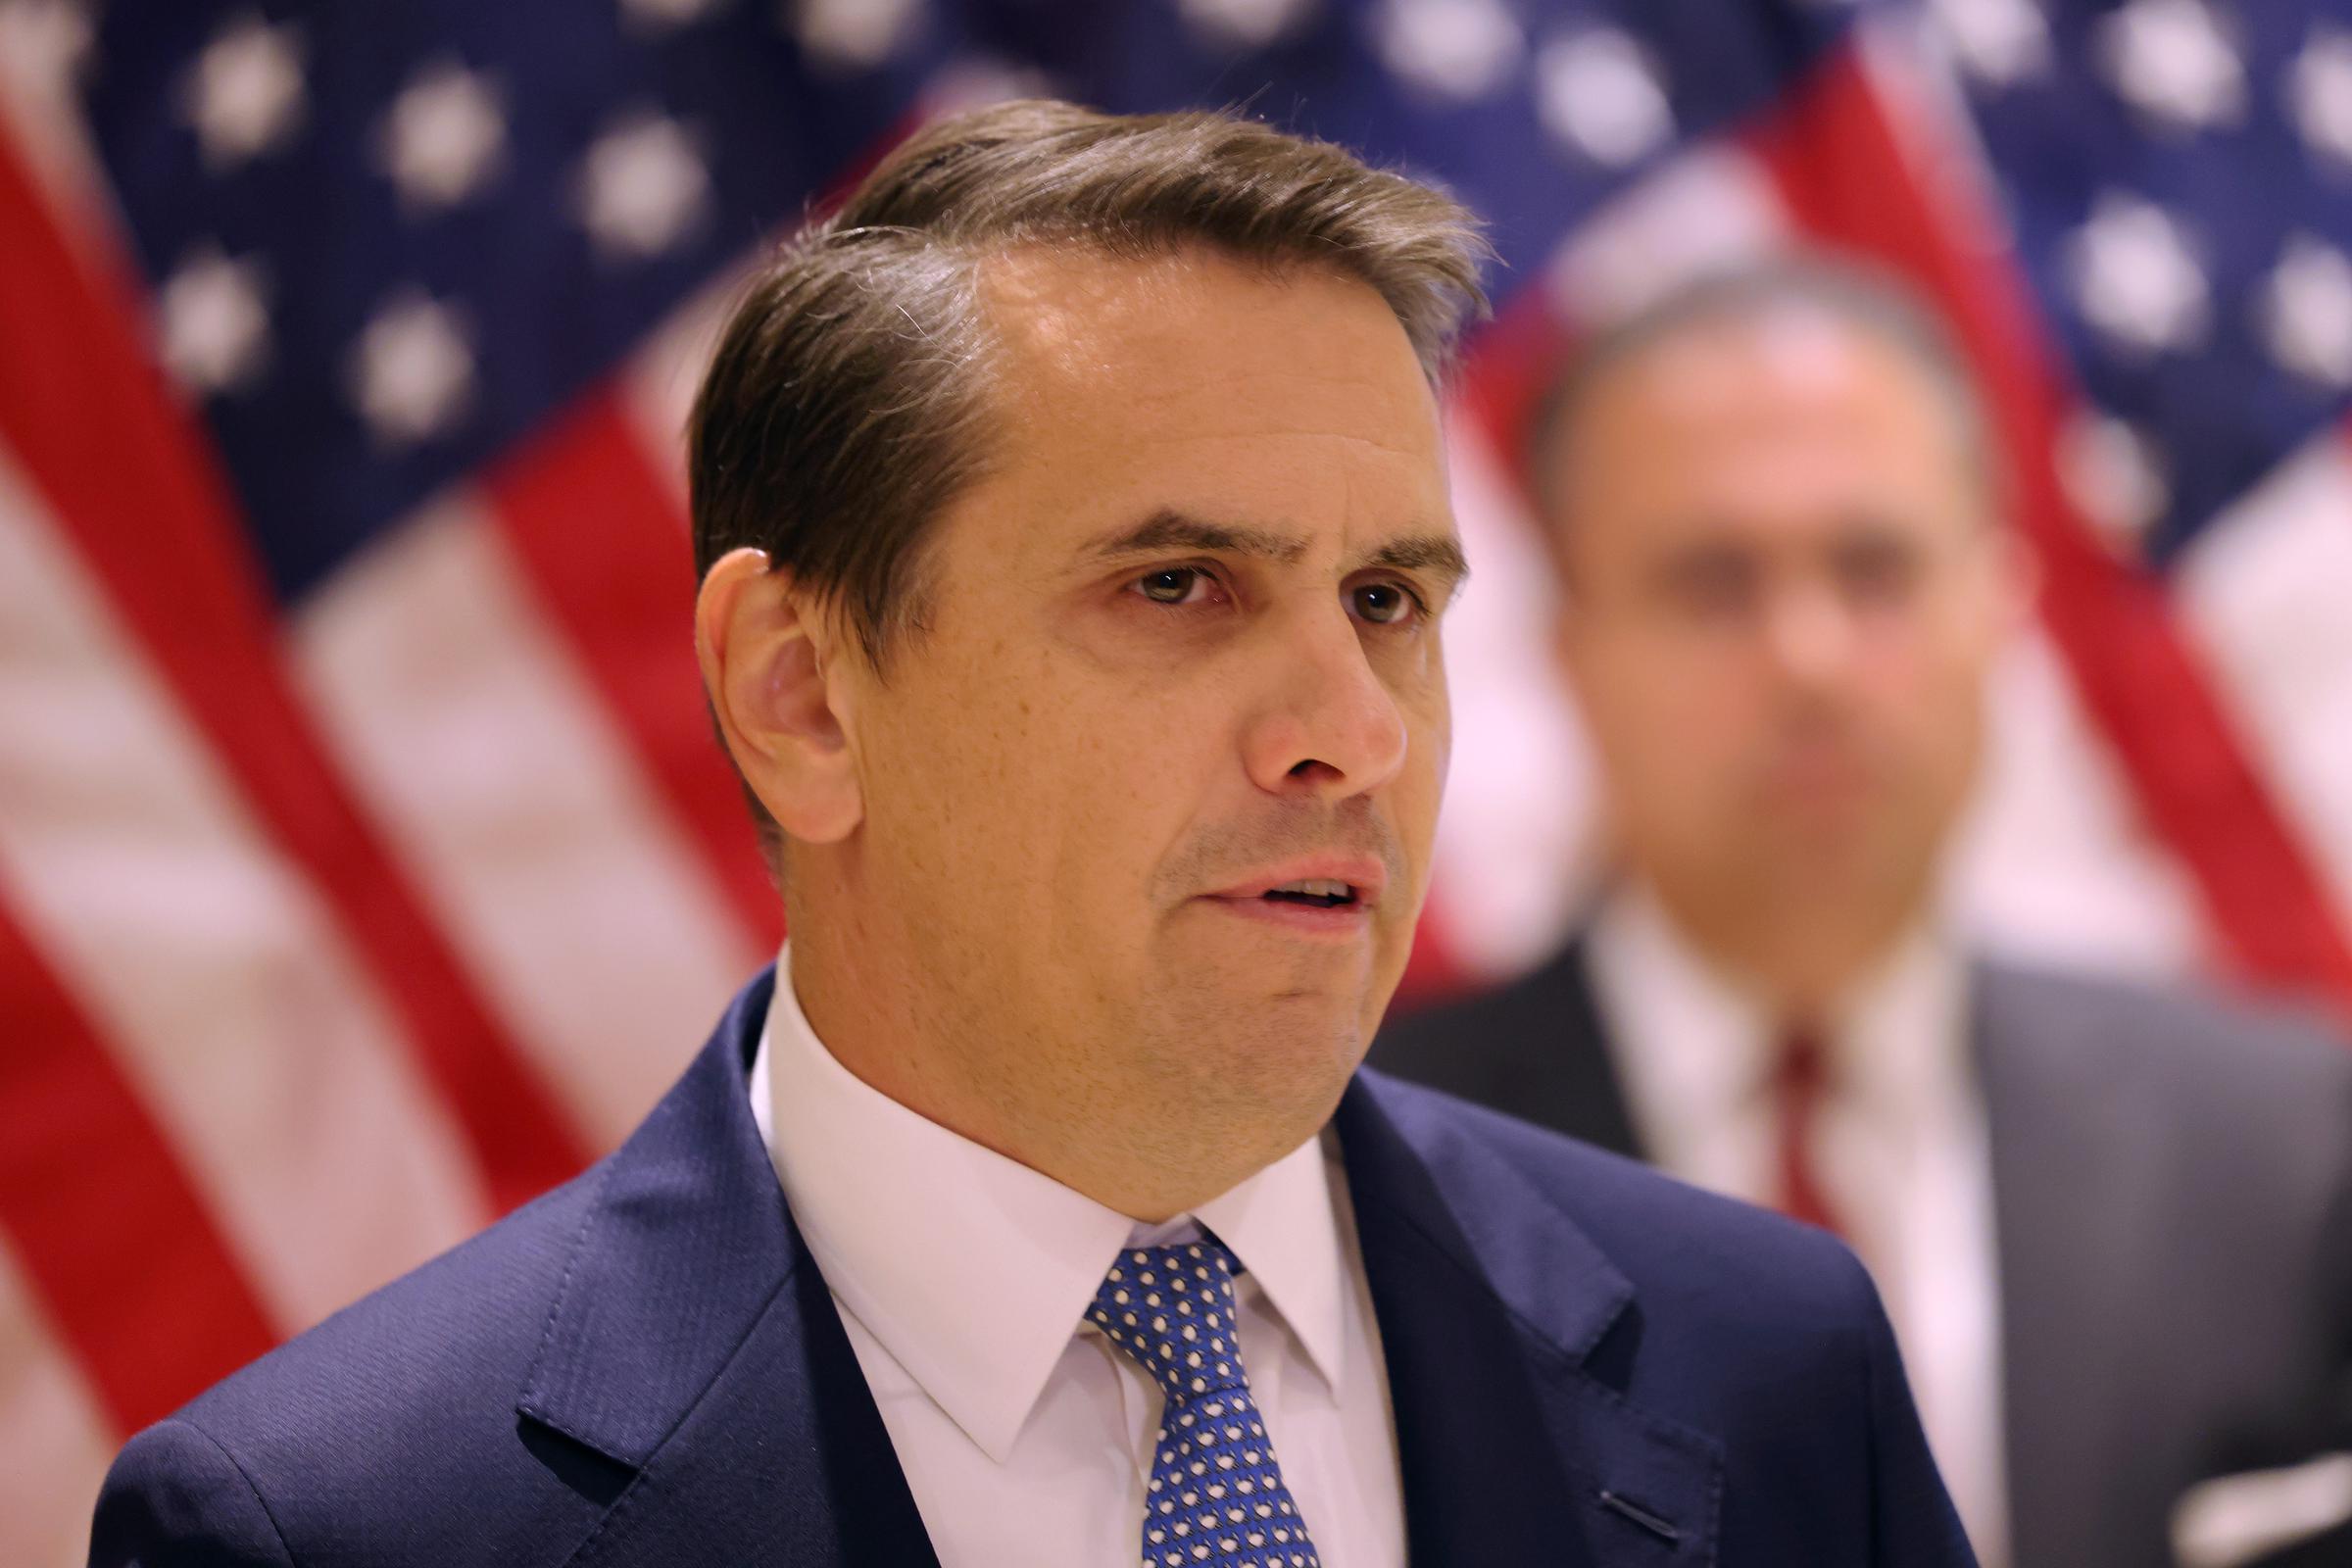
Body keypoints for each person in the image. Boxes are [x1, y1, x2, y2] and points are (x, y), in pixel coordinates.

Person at [90, 106, 1975, 1567]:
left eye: (1391, 598)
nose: (1353, 730)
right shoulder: (331, 1526)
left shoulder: (1772, 1362)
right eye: (1179, 585)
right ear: (801, 696)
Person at [1372, 258, 2352, 1568]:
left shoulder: (2290, 1149)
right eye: (1714, 581)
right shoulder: (1371, 1164)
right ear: (1570, 649)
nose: (1811, 660)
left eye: (1875, 566)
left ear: (1998, 612)